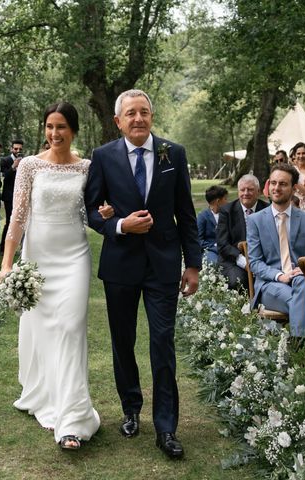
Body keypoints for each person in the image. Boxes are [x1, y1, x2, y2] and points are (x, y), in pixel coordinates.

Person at [85, 89, 202, 459]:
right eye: (131, 113)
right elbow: (90, 211)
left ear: (152, 117)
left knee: (162, 343)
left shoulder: (173, 153)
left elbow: (186, 212)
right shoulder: (103, 157)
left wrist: (194, 264)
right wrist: (120, 225)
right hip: (120, 264)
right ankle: (131, 408)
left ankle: (166, 428)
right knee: (123, 340)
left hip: (163, 264)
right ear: (118, 121)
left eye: (144, 112)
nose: (138, 118)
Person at [0, 102, 111, 451]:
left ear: (73, 130)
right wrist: (7, 264)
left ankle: (73, 420)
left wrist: (106, 211)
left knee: (71, 327)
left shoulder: (88, 167)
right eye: (49, 126)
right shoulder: (29, 166)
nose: (54, 133)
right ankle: (48, 395)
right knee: (45, 329)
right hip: (38, 257)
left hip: (74, 255)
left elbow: (96, 208)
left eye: (61, 126)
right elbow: (17, 216)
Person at [247, 163, 305, 339]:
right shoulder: (255, 220)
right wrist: (280, 276)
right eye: (273, 183)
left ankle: (297, 347)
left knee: (303, 284)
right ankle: (304, 346)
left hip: (300, 280)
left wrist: (303, 270)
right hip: (270, 284)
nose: (276, 188)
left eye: (283, 184)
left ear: (294, 188)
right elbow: (255, 263)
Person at [217, 174, 269, 290]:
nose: (246, 193)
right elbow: (222, 244)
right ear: (238, 192)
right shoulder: (226, 211)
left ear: (259, 192)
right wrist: (244, 262)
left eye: (250, 189)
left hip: (262, 259)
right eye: (242, 190)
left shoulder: (267, 210)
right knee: (238, 281)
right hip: (233, 260)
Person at [0, 139, 24, 255]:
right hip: (9, 196)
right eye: (16, 149)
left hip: (21, 195)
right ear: (11, 149)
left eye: (20, 149)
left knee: (20, 222)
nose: (18, 151)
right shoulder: (5, 160)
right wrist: (13, 166)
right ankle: (3, 248)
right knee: (9, 222)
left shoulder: (25, 161)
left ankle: (18, 248)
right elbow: (5, 177)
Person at [197, 185, 228, 264]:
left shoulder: (227, 214)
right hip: (211, 250)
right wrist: (214, 247)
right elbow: (199, 240)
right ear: (218, 201)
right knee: (215, 263)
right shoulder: (202, 217)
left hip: (227, 248)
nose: (227, 201)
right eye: (225, 199)